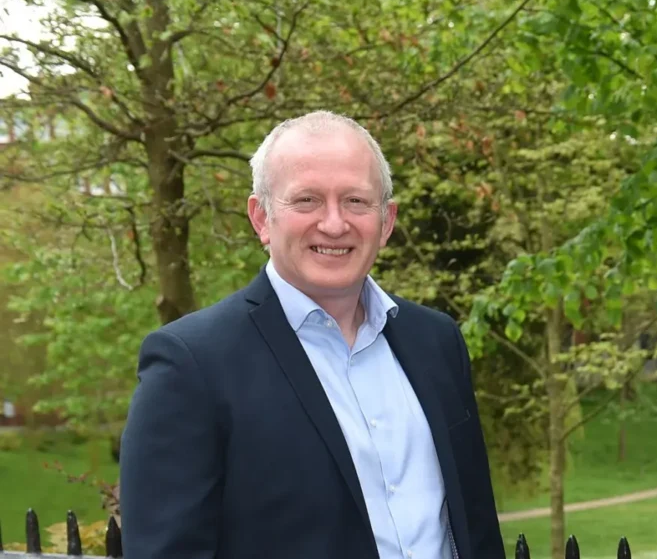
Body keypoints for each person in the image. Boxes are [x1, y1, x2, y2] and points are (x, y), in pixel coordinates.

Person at [119, 111, 506, 559]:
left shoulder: (436, 343)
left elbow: (475, 524)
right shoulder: (192, 365)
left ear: (386, 221)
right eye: (307, 201)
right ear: (261, 217)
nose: (335, 224)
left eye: (357, 201)